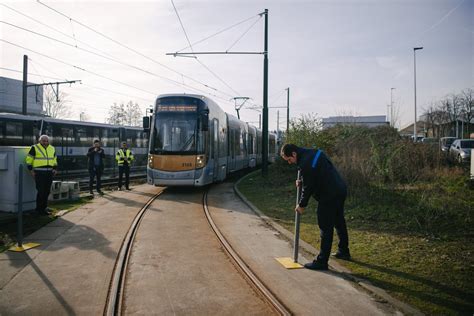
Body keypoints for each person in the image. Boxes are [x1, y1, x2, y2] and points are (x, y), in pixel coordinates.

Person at [280, 143, 350, 271]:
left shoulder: (305, 163)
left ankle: (322, 262)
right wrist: (302, 179)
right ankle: (344, 251)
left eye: (289, 160)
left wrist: (301, 205)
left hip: (329, 195)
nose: (290, 163)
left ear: (294, 154)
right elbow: (315, 173)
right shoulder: (313, 153)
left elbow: (308, 187)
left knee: (325, 226)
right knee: (339, 221)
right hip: (340, 189)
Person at [26, 135, 58, 215]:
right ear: (40, 141)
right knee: (41, 191)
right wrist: (31, 170)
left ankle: (44, 208)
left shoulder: (52, 148)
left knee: (47, 191)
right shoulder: (34, 147)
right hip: (39, 173)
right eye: (43, 140)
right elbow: (29, 159)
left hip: (49, 173)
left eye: (47, 141)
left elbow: (54, 159)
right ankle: (39, 209)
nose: (45, 142)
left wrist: (55, 168)